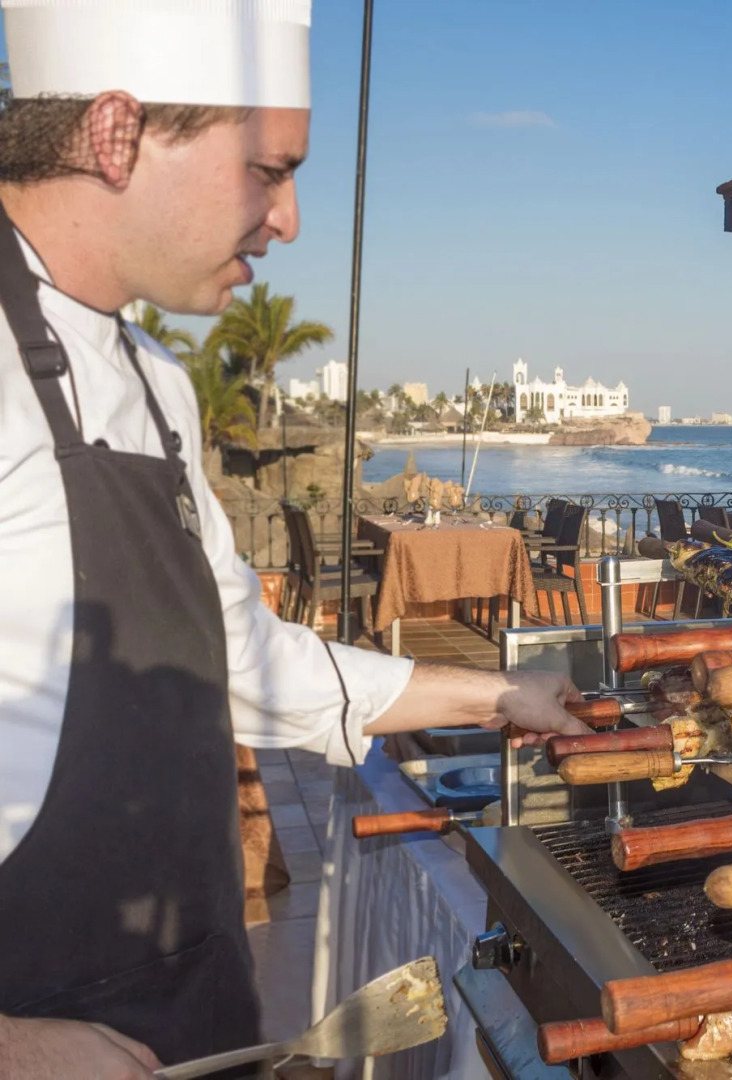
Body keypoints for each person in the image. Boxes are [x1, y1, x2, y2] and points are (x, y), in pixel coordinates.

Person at [0, 5, 590, 1077]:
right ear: (118, 135)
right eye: (269, 169)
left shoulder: (157, 381)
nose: (291, 219)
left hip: (196, 1011)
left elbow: (245, 660)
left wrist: (495, 697)